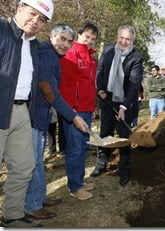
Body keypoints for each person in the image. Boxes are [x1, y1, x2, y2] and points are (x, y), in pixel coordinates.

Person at [25, 23, 88, 219]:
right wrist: (73, 116)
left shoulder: (52, 54)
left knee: (38, 160)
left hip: (41, 116)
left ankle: (40, 196)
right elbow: (48, 90)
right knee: (32, 163)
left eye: (69, 41)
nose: (65, 45)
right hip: (32, 116)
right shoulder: (46, 54)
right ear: (51, 36)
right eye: (61, 39)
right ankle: (31, 205)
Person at [0, 0, 53, 227]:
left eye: (42, 19)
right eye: (32, 13)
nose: (36, 21)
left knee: (24, 167)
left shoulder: (32, 45)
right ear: (19, 8)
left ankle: (12, 216)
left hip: (21, 112)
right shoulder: (2, 30)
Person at [90, 25, 144, 187]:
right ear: (117, 36)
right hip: (107, 99)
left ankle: (124, 171)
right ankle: (101, 164)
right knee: (105, 133)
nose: (124, 41)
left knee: (123, 138)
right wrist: (100, 89)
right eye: (121, 37)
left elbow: (134, 85)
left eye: (127, 39)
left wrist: (124, 108)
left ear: (132, 40)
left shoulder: (136, 58)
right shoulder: (108, 51)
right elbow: (99, 71)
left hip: (126, 102)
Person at [59, 22, 98, 200]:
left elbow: (89, 85)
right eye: (87, 36)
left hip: (87, 109)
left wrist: (93, 106)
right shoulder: (71, 53)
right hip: (74, 110)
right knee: (74, 149)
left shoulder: (91, 57)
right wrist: (70, 111)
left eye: (93, 39)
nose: (89, 41)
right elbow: (64, 84)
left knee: (83, 147)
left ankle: (80, 181)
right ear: (79, 34)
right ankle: (74, 187)